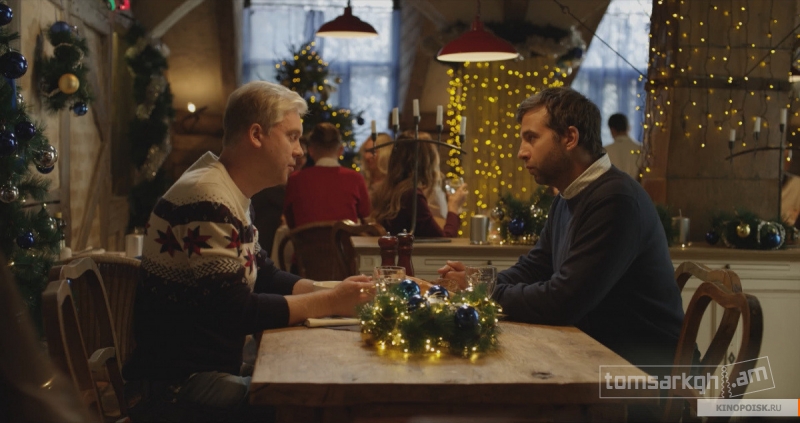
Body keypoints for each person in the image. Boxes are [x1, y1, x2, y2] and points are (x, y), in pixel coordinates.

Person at [122, 81, 374, 421]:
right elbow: (235, 310)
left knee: (313, 381)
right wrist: (331, 301)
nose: (299, 151)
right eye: (292, 137)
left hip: (206, 371)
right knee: (314, 404)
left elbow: (265, 273)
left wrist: (332, 290)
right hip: (178, 387)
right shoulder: (207, 196)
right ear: (256, 135)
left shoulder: (229, 190)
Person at [438, 87, 685, 376]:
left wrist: (481, 290)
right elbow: (536, 267)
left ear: (570, 138)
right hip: (602, 355)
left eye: (531, 138)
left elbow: (562, 302)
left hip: (644, 373)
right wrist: (478, 281)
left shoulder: (615, 199)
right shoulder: (570, 195)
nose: (521, 152)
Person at [371, 133, 467, 237]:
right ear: (428, 162)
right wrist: (453, 207)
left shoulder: (388, 190)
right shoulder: (412, 196)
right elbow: (443, 240)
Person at [283, 122, 371, 228]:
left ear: (311, 151)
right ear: (340, 150)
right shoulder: (355, 179)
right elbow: (366, 219)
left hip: (305, 239)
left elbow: (291, 223)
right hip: (346, 239)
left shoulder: (295, 180)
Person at [605, 113, 641, 179]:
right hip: (636, 185)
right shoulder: (641, 149)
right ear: (629, 127)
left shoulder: (605, 151)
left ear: (612, 130)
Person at [359, 132, 392, 198]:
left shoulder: (393, 184)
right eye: (366, 151)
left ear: (385, 153)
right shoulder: (361, 181)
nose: (367, 156)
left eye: (373, 152)